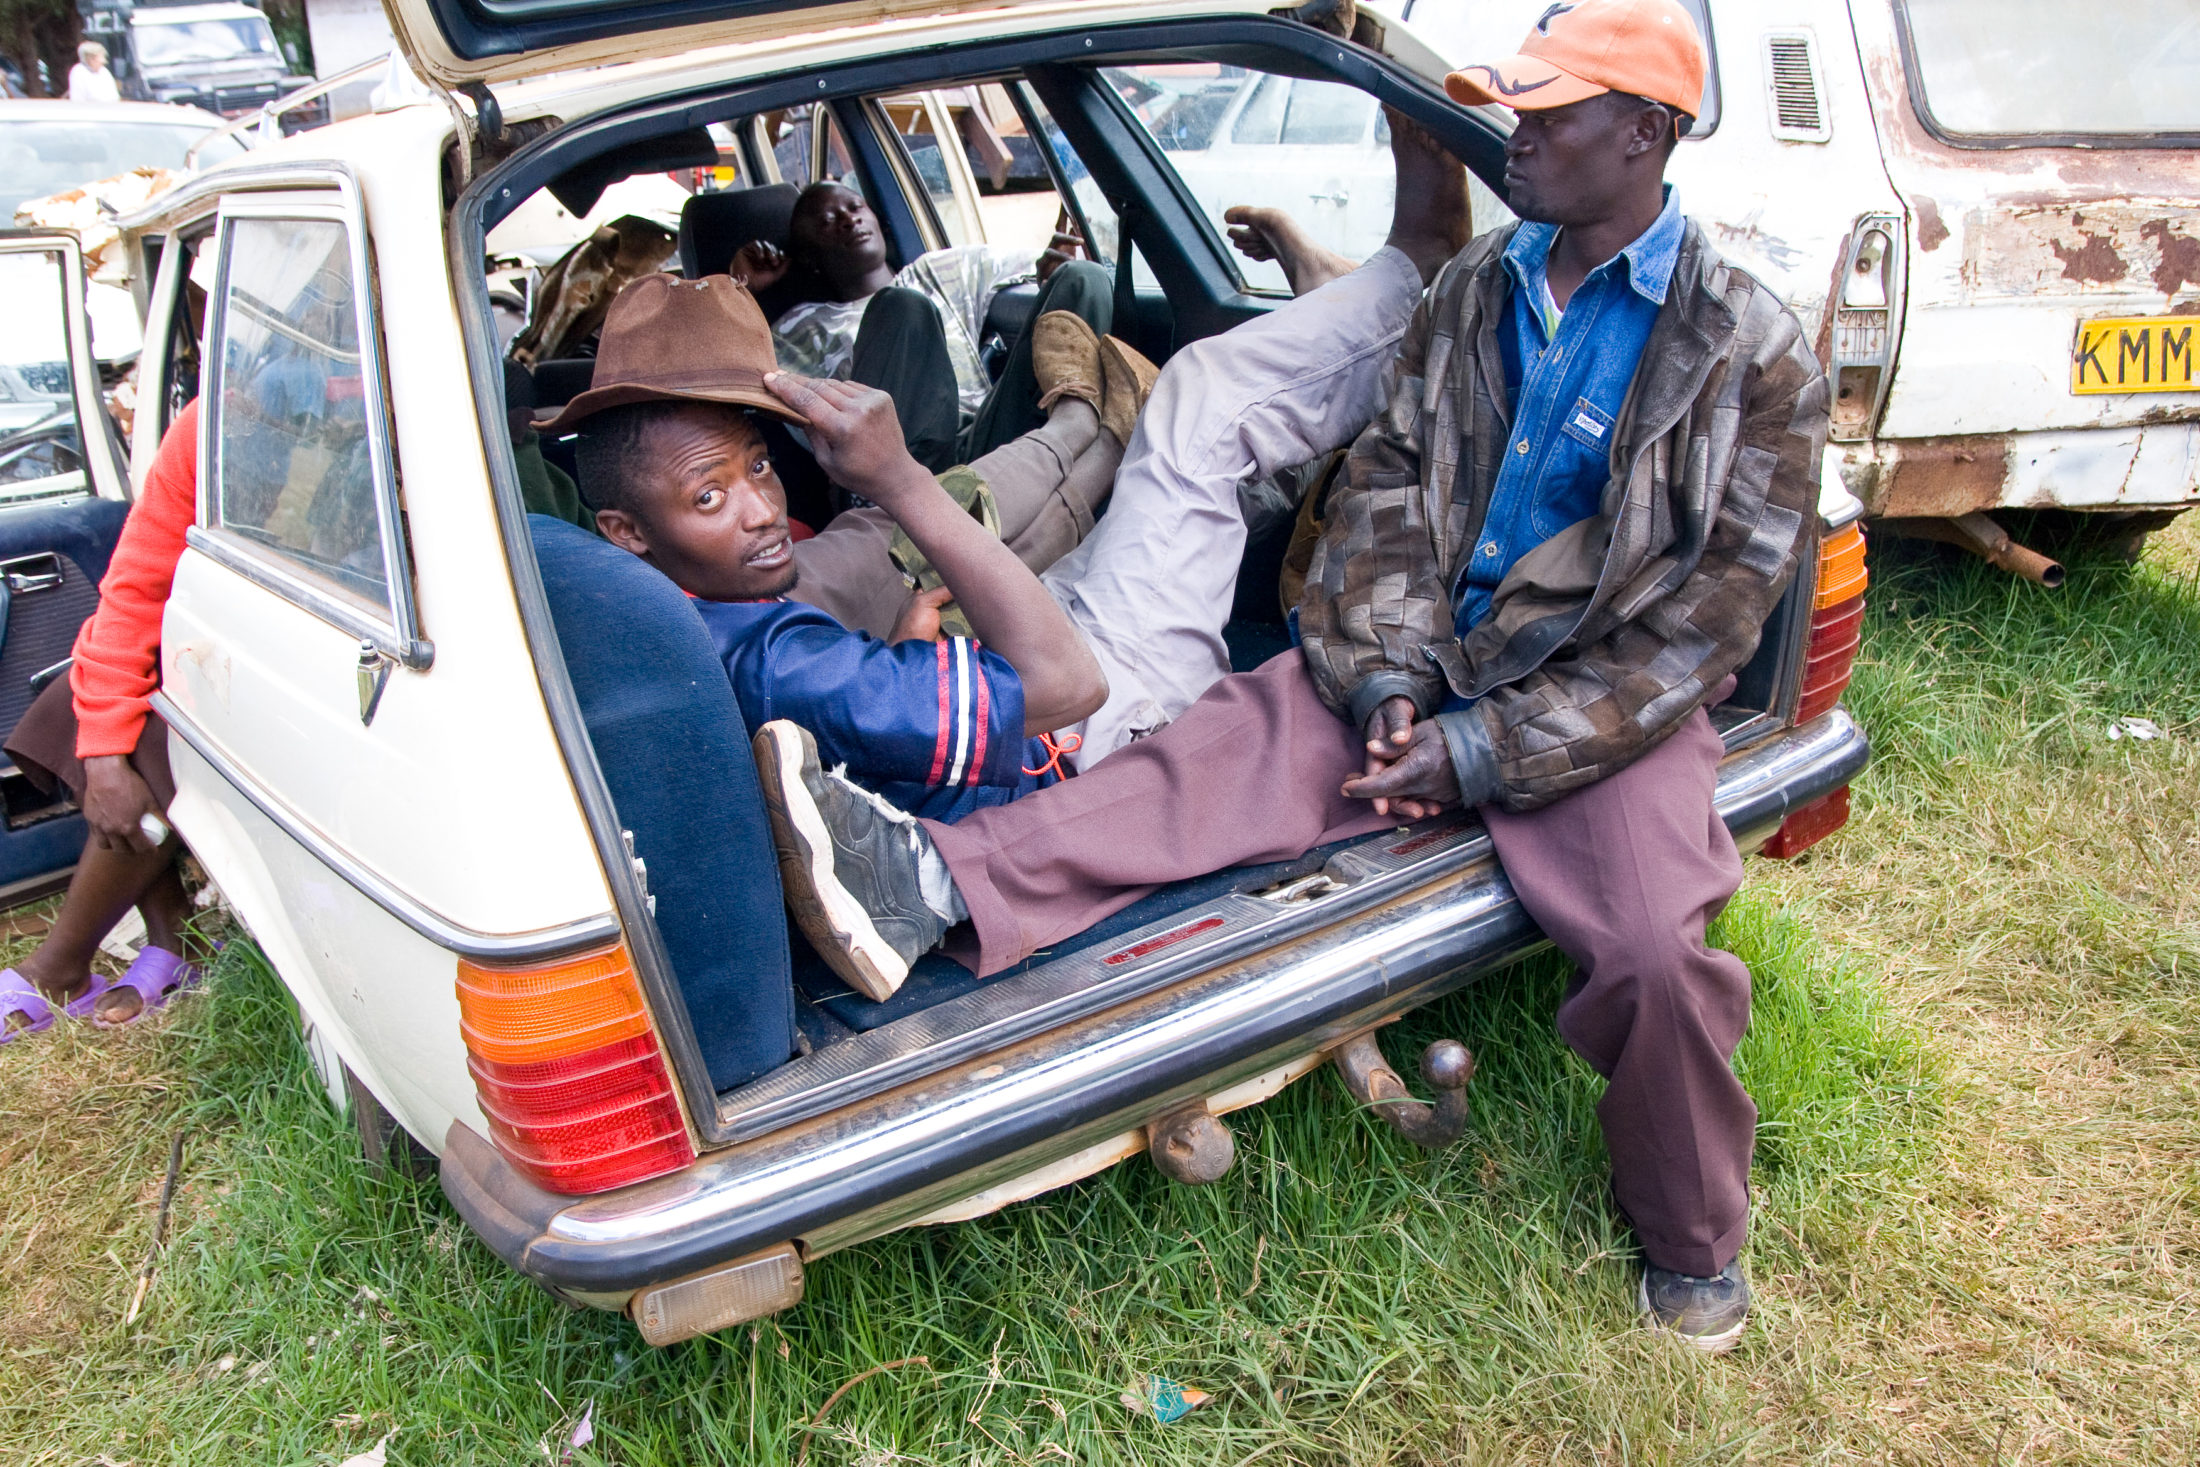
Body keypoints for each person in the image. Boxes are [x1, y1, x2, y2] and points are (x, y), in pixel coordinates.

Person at [755, 0, 1828, 1355]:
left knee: (1658, 956)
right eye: (1515, 107)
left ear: (1646, 134)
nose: (1515, 136)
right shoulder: (1476, 287)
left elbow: (1700, 630)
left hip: (1602, 707)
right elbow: (1384, 494)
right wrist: (1382, 680)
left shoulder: (1749, 347)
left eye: (1549, 116)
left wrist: (1481, 752)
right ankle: (927, 882)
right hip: (1426, 662)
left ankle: (1692, 1240)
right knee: (1194, 761)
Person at [1, 403, 208, 1039]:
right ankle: (173, 938)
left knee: (158, 730)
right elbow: (135, 587)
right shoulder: (210, 423)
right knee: (83, 698)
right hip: (218, 641)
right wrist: (102, 755)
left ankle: (60, 967)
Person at [728, 181, 1112, 469]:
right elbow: (734, 375)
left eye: (855, 207)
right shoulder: (801, 328)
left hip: (989, 438)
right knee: (901, 306)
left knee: (1084, 278)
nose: (848, 219)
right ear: (809, 257)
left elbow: (1038, 265)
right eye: (828, 222)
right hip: (909, 468)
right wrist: (738, 286)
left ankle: (1073, 436)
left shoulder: (935, 272)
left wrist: (1051, 267)